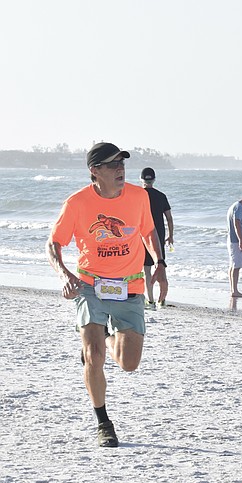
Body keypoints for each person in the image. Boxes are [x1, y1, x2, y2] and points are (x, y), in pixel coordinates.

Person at [46, 142, 165, 448]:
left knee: (129, 363)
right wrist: (65, 275)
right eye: (113, 165)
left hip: (130, 285)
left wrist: (159, 263)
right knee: (95, 357)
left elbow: (148, 231)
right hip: (90, 286)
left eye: (122, 163)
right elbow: (54, 243)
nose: (120, 169)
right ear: (95, 171)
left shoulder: (139, 196)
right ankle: (103, 423)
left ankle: (104, 339)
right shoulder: (77, 203)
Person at [139, 167, 173, 308]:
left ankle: (151, 300)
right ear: (154, 180)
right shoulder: (161, 196)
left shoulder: (138, 196)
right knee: (160, 266)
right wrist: (171, 236)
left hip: (143, 236)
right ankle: (162, 299)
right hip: (158, 237)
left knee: (146, 270)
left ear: (141, 179)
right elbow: (169, 218)